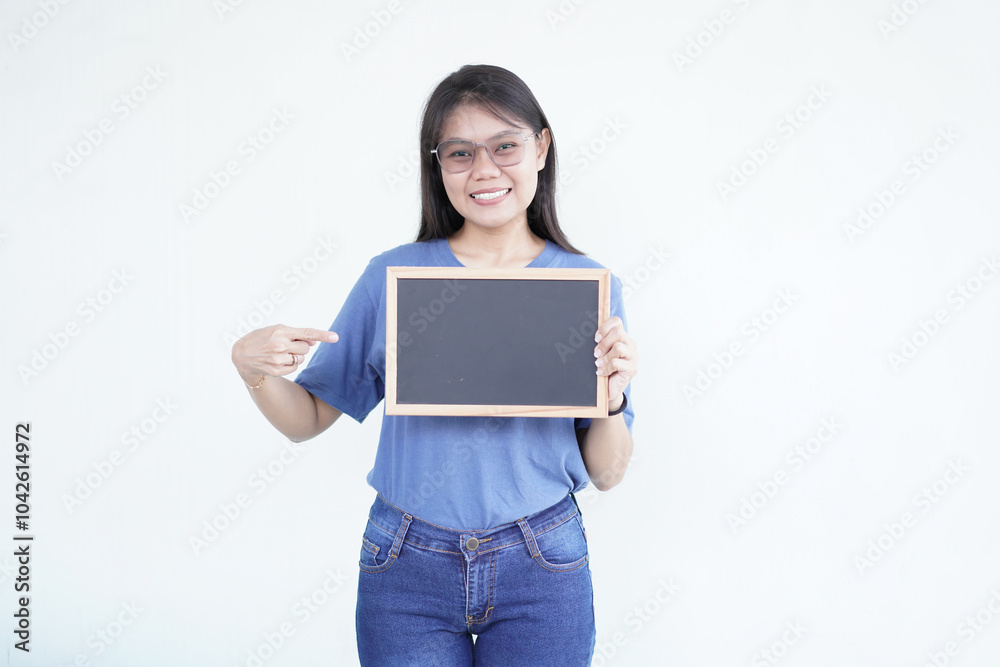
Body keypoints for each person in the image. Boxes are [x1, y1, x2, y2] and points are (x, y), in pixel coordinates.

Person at [231, 64, 638, 666]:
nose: (484, 170)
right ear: (437, 164)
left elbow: (608, 473)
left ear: (542, 147)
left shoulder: (588, 286)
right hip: (406, 560)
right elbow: (308, 418)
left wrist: (612, 399)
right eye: (460, 153)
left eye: (505, 146)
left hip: (543, 560)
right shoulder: (392, 278)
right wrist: (253, 369)